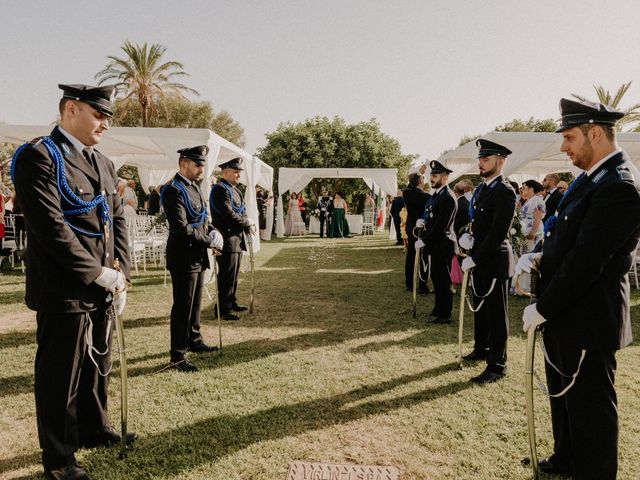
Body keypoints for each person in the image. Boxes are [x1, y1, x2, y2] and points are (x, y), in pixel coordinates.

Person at [12, 83, 136, 480]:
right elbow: (50, 228)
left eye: (108, 117)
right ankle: (59, 458)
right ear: (70, 109)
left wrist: (123, 275)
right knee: (60, 375)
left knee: (97, 362)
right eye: (98, 114)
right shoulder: (40, 156)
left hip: (103, 284)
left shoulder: (102, 162)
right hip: (63, 286)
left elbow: (117, 221)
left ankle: (93, 426)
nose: (105, 123)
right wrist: (98, 273)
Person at [518, 98, 640, 479]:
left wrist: (544, 307)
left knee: (591, 410)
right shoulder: (590, 178)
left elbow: (588, 260)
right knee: (565, 397)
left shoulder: (620, 185)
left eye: (569, 137)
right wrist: (538, 254)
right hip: (567, 313)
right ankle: (566, 457)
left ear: (596, 133)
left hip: (588, 316)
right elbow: (566, 236)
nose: (563, 146)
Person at [161, 145, 223, 373]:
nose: (201, 170)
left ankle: (194, 340)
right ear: (184, 163)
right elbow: (180, 228)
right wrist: (209, 240)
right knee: (183, 305)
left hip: (197, 254)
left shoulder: (195, 188)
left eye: (202, 166)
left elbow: (203, 218)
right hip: (183, 254)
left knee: (195, 302)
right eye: (198, 165)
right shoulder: (172, 189)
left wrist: (214, 230)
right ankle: (177, 354)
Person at [459, 139, 516, 384]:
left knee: (496, 315)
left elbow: (498, 232)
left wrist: (475, 257)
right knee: (480, 310)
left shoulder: (505, 191)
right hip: (480, 258)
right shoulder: (483, 189)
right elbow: (478, 223)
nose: (481, 164)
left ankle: (497, 364)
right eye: (480, 160)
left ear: (500, 161)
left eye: (486, 159)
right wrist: (467, 235)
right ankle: (481, 349)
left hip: (494, 261)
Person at [210, 157, 253, 321]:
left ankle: (231, 301)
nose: (238, 175)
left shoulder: (236, 190)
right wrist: (245, 222)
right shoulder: (219, 189)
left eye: (239, 172)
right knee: (225, 274)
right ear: (225, 172)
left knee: (234, 274)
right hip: (224, 238)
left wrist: (247, 226)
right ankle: (222, 308)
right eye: (235, 171)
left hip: (236, 237)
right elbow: (227, 213)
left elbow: (242, 211)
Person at [415, 161, 457, 323]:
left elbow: (441, 225)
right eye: (431, 175)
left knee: (443, 281)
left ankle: (445, 314)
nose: (431, 178)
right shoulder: (437, 195)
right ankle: (438, 309)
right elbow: (432, 218)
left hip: (443, 244)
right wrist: (422, 222)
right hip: (435, 244)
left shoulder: (447, 197)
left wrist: (424, 240)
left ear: (445, 178)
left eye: (435, 175)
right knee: (437, 279)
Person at [403, 171, 431, 292]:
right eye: (423, 179)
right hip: (422, 229)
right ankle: (422, 285)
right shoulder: (426, 196)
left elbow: (410, 185)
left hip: (411, 228)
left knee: (411, 256)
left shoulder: (406, 193)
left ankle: (409, 283)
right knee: (424, 258)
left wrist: (417, 175)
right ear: (420, 182)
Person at [519, 179, 546, 253]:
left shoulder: (537, 199)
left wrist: (532, 233)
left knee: (531, 257)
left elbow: (538, 217)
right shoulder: (529, 200)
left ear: (531, 189)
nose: (522, 190)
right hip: (526, 234)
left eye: (524, 188)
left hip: (533, 235)